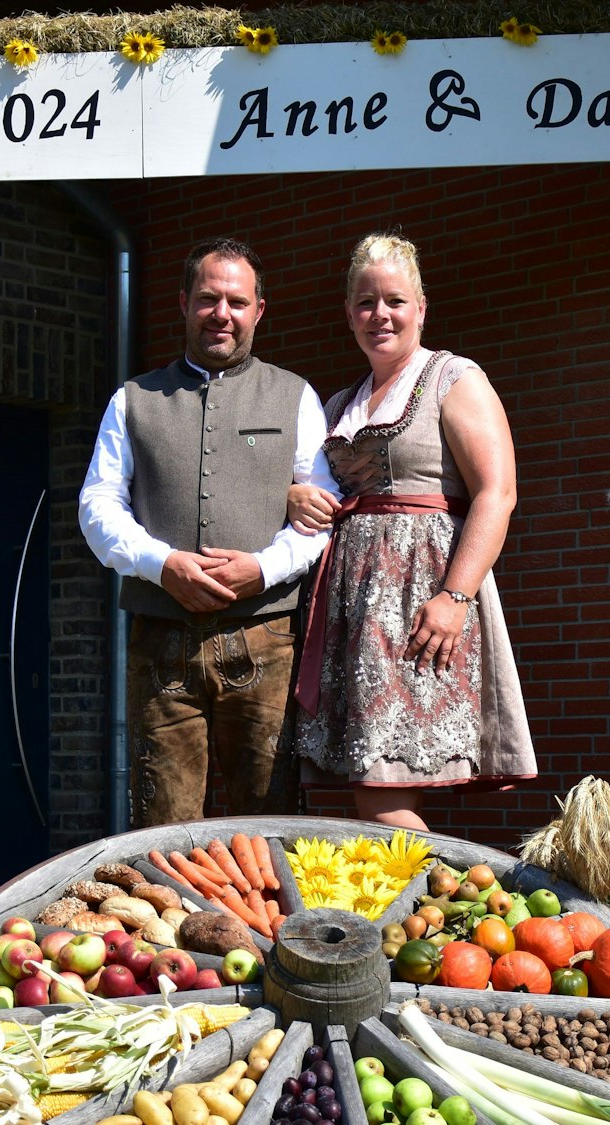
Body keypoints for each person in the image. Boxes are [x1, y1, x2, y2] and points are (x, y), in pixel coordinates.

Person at [79, 238, 339, 827]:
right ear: (183, 303)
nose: (222, 313)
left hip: (266, 639)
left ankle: (275, 925)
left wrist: (262, 570)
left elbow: (320, 513)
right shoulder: (132, 400)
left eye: (237, 302)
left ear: (259, 310)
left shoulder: (295, 396)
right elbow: (97, 505)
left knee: (270, 823)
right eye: (208, 299)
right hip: (161, 643)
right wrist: (160, 563)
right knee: (161, 828)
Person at [288, 233, 535, 831]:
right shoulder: (341, 403)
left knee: (385, 788)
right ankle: (423, 918)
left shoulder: (454, 378)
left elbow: (497, 494)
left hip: (423, 600)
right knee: (369, 788)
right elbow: (316, 489)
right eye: (367, 303)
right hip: (354, 607)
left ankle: (435, 917)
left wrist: (455, 597)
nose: (381, 315)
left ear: (420, 308)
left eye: (395, 301)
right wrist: (296, 496)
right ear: (349, 315)